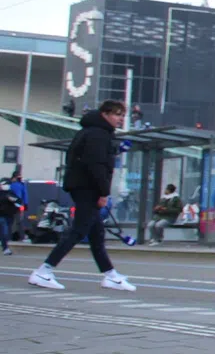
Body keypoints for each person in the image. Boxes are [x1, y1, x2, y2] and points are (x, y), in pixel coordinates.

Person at [29, 101, 135, 292]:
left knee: (96, 233)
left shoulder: (91, 132)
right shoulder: (98, 134)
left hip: (82, 186)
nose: (120, 119)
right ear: (105, 114)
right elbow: (97, 165)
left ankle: (110, 275)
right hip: (88, 188)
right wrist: (103, 192)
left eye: (122, 115)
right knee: (78, 230)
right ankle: (44, 271)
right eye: (117, 115)